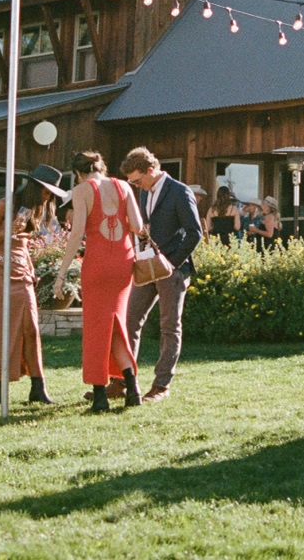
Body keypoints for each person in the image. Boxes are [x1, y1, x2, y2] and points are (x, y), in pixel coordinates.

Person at [0, 165, 68, 405]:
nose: (49, 196)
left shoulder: (37, 209)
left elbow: (26, 243)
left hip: (22, 272)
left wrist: (32, 267)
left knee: (30, 328)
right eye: (46, 191)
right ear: (34, 187)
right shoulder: (5, 205)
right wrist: (9, 231)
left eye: (52, 193)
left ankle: (38, 388)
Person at [56, 151, 145, 412]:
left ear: (78, 173)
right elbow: (138, 226)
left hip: (98, 263)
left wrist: (61, 274)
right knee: (117, 325)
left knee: (96, 329)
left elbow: (76, 235)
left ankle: (100, 396)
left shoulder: (82, 189)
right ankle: (133, 388)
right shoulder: (123, 186)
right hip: (122, 262)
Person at [122, 147, 200, 403]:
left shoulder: (180, 191)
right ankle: (124, 381)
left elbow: (194, 233)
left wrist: (171, 263)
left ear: (151, 170)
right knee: (130, 322)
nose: (135, 185)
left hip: (172, 270)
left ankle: (161, 386)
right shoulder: (144, 193)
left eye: (137, 179)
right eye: (132, 182)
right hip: (147, 267)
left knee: (169, 328)